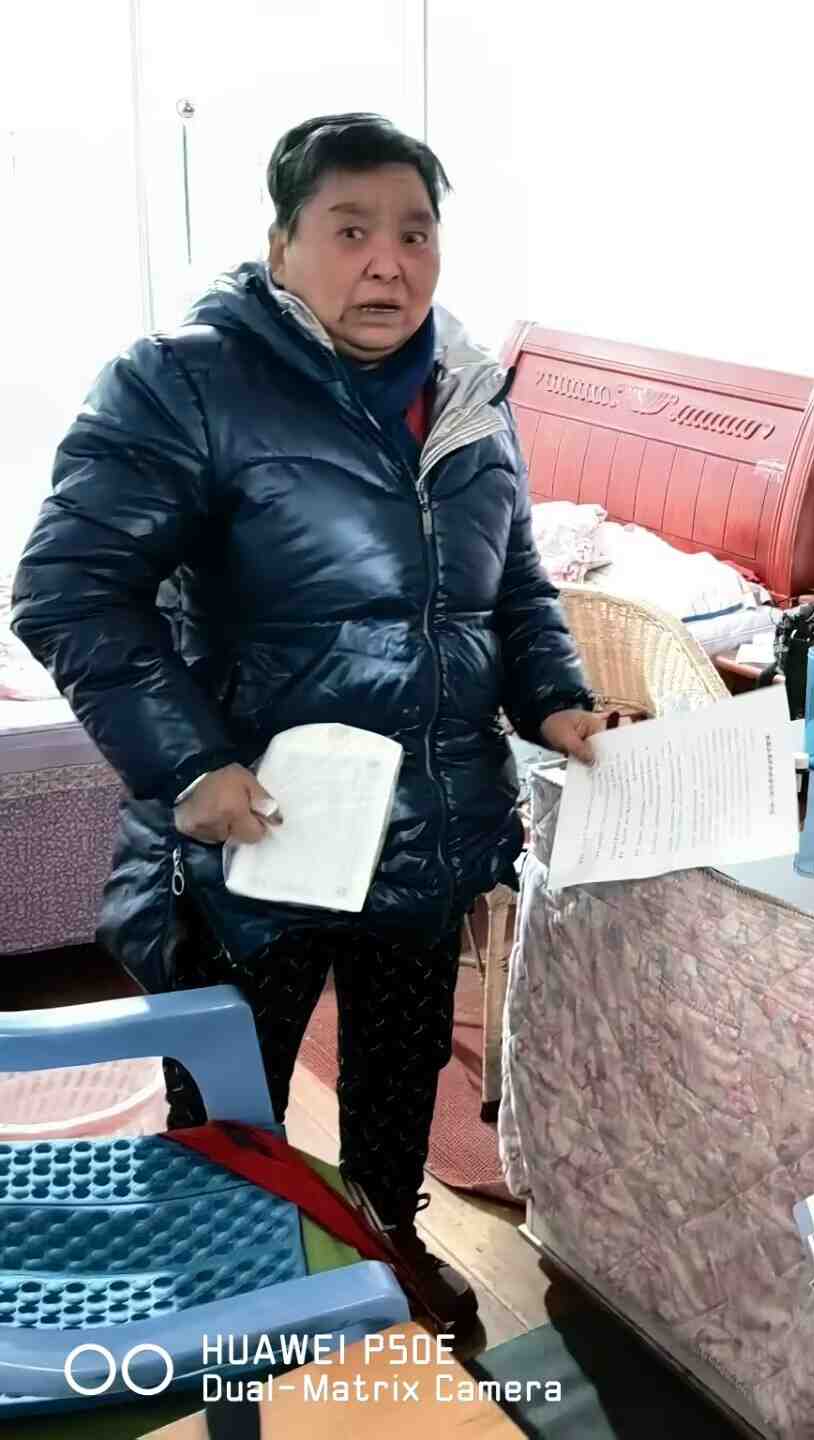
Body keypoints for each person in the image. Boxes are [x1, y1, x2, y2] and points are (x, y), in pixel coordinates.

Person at [10, 113, 603, 1336]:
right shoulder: (184, 383)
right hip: (258, 833)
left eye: (415, 233)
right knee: (234, 1093)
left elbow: (513, 585)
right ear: (281, 247)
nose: (388, 262)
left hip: (425, 824)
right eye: (350, 230)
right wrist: (193, 765)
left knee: (398, 1071)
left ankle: (386, 1244)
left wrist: (552, 694)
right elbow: (69, 588)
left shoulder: (471, 395)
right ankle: (219, 1291)